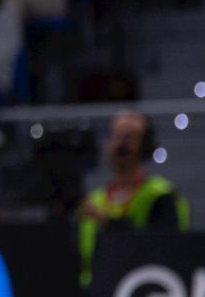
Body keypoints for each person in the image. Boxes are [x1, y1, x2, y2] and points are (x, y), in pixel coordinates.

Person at [78, 111, 189, 286]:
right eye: (117, 135)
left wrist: (107, 222)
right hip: (93, 296)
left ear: (146, 145)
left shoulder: (161, 195)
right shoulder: (94, 199)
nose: (121, 143)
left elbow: (163, 247)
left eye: (130, 137)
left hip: (142, 294)